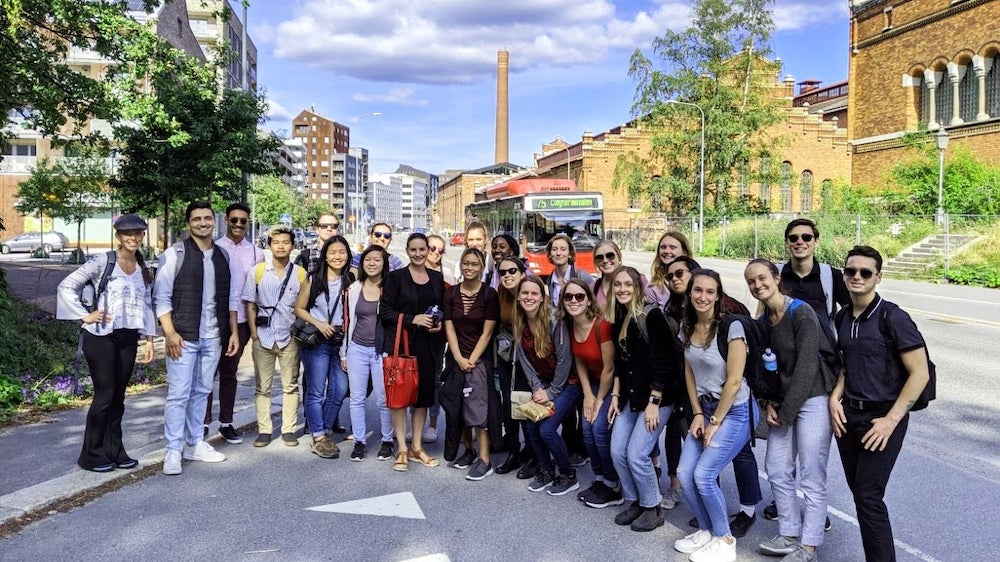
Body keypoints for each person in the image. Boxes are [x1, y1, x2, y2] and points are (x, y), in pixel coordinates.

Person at [830, 246, 930, 562]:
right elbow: (848, 362)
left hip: (883, 419)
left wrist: (890, 421)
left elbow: (920, 373)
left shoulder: (893, 317)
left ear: (878, 277)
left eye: (865, 272)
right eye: (850, 271)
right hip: (849, 417)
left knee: (869, 496)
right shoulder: (843, 316)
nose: (856, 277)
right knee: (861, 496)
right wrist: (835, 397)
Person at [664, 256, 763, 537]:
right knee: (684, 474)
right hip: (704, 409)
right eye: (698, 290)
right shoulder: (687, 326)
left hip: (735, 411)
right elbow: (689, 372)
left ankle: (724, 539)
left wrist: (715, 421)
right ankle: (707, 531)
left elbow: (733, 382)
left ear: (718, 296)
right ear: (690, 292)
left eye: (710, 291)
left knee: (704, 476)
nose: (703, 296)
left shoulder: (732, 327)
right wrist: (697, 413)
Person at [746, 258, 836, 562]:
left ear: (775, 278)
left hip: (812, 398)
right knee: (777, 468)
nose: (758, 285)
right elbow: (758, 371)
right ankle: (788, 532)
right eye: (751, 282)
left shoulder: (801, 312)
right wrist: (768, 404)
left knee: (812, 472)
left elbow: (807, 367)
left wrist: (785, 411)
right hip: (781, 404)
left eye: (762, 278)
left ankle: (809, 544)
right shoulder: (761, 324)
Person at [762, 217, 847, 528]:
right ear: (787, 242)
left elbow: (852, 316)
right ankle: (784, 502)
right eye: (794, 238)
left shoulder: (829, 277)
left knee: (812, 453)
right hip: (783, 370)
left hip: (820, 369)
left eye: (806, 237)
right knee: (781, 458)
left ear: (815, 241)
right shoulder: (777, 276)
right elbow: (763, 316)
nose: (800, 242)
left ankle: (815, 514)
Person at [56, 213, 156, 472]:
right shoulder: (103, 261)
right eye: (127, 233)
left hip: (127, 336)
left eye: (138, 233)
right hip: (100, 336)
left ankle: (115, 450)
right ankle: (91, 455)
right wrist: (84, 315)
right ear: (118, 237)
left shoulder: (142, 267)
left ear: (143, 235)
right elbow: (66, 286)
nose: (133, 238)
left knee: (119, 398)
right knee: (104, 395)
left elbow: (146, 305)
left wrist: (149, 339)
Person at [154, 201, 239, 475]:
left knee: (202, 391)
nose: (202, 223)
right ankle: (172, 450)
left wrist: (233, 332)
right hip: (183, 337)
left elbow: (230, 298)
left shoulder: (222, 256)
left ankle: (194, 443)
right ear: (188, 223)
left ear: (214, 221)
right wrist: (169, 332)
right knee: (178, 395)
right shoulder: (175, 254)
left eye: (207, 218)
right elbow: (161, 297)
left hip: (213, 336)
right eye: (196, 219)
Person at [607, 266, 681, 531]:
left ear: (638, 287)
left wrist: (655, 401)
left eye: (628, 284)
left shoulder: (651, 316)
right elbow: (620, 361)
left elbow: (665, 361)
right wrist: (616, 395)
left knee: (637, 453)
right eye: (618, 285)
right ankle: (636, 500)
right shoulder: (620, 315)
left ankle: (653, 507)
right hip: (630, 396)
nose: (622, 289)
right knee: (617, 451)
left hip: (656, 398)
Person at [380, 233, 446, 472]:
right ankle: (401, 448)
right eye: (413, 250)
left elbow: (443, 310)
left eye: (422, 249)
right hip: (403, 347)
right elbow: (384, 312)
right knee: (400, 398)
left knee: (422, 399)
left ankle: (417, 446)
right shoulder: (396, 278)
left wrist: (439, 323)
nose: (418, 254)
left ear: (428, 250)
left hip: (429, 345)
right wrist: (412, 319)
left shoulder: (437, 278)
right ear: (407, 251)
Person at [513, 276, 583, 496]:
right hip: (542, 382)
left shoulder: (555, 321)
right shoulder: (520, 320)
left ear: (542, 298)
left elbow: (565, 360)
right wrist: (536, 388)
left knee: (547, 429)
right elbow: (524, 359)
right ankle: (545, 471)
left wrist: (551, 392)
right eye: (525, 293)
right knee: (531, 423)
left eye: (534, 293)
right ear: (519, 297)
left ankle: (567, 474)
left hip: (569, 383)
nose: (529, 297)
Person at [244, 226, 307, 449]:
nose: (281, 246)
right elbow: (250, 304)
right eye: (276, 242)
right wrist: (253, 333)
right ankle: (264, 429)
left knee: (290, 385)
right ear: (270, 245)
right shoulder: (258, 272)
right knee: (263, 386)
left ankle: (288, 429)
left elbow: (304, 306)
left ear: (293, 245)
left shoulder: (300, 274)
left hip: (289, 336)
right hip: (263, 336)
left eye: (285, 242)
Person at [207, 202, 263, 444]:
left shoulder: (256, 253)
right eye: (234, 220)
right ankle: (203, 422)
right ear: (226, 221)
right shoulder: (215, 247)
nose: (238, 224)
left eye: (243, 221)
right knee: (207, 373)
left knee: (230, 373)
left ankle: (226, 423)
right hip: (215, 319)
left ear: (248, 223)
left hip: (241, 321)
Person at [561, 279, 620, 508]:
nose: (574, 301)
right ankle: (600, 478)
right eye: (568, 297)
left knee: (600, 429)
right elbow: (579, 360)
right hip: (593, 384)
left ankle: (614, 484)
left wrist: (599, 400)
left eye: (579, 296)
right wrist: (587, 394)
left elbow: (610, 368)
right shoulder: (571, 324)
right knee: (587, 429)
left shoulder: (601, 324)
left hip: (611, 384)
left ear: (588, 299)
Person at [294, 235, 353, 458]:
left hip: (341, 341)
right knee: (316, 391)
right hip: (317, 340)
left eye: (342, 252)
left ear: (347, 254)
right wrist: (319, 323)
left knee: (339, 388)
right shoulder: (313, 279)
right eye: (333, 252)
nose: (337, 256)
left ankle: (324, 430)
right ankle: (318, 436)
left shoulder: (351, 279)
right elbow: (299, 309)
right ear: (325, 256)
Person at [442, 248, 499, 480]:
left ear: (481, 267)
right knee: (458, 408)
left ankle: (485, 459)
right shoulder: (451, 294)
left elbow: (487, 333)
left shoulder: (489, 294)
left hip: (479, 360)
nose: (469, 268)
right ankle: (468, 450)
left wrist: (471, 361)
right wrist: (457, 358)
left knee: (478, 410)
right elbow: (449, 327)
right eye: (466, 263)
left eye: (475, 264)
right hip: (457, 358)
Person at [341, 245, 395, 461]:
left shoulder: (390, 289)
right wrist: (344, 353)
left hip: (381, 351)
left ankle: (387, 440)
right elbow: (347, 322)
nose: (372, 263)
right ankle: (360, 442)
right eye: (368, 260)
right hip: (357, 348)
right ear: (362, 263)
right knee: (357, 398)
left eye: (377, 260)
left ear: (384, 264)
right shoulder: (354, 289)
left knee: (383, 399)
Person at [491, 257, 535, 477]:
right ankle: (514, 450)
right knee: (509, 402)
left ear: (522, 272)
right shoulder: (501, 290)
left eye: (512, 271)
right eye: (502, 272)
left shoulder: (530, 290)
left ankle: (534, 453)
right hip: (508, 354)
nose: (507, 275)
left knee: (525, 404)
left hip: (529, 356)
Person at [645, 231, 693, 310]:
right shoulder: (652, 288)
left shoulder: (699, 279)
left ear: (685, 252)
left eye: (672, 247)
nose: (667, 251)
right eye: (663, 247)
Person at [545, 233, 592, 308]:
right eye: (554, 249)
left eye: (563, 249)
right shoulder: (550, 280)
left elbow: (594, 303)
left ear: (570, 254)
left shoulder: (582, 277)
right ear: (550, 254)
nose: (558, 253)